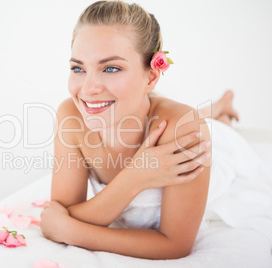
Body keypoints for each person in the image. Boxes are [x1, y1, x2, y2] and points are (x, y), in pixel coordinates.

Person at [40, 0, 242, 259]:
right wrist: (135, 177)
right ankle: (216, 108)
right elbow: (66, 211)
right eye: (78, 68)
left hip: (209, 143)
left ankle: (218, 114)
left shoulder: (185, 129)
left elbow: (175, 244)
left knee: (207, 127)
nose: (88, 88)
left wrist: (70, 231)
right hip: (158, 115)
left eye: (111, 68)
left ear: (151, 77)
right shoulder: (71, 115)